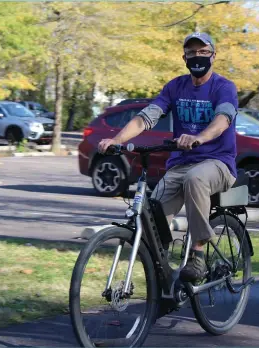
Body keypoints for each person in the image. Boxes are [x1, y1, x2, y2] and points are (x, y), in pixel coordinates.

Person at [98, 32, 239, 283]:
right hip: (181, 164)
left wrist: (200, 138)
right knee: (152, 216)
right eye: (192, 52)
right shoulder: (175, 86)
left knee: (196, 179)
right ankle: (163, 281)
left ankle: (197, 254)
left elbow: (223, 120)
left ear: (213, 56)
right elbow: (147, 116)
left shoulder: (223, 87)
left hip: (218, 162)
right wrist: (116, 141)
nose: (197, 57)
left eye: (203, 52)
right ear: (184, 57)